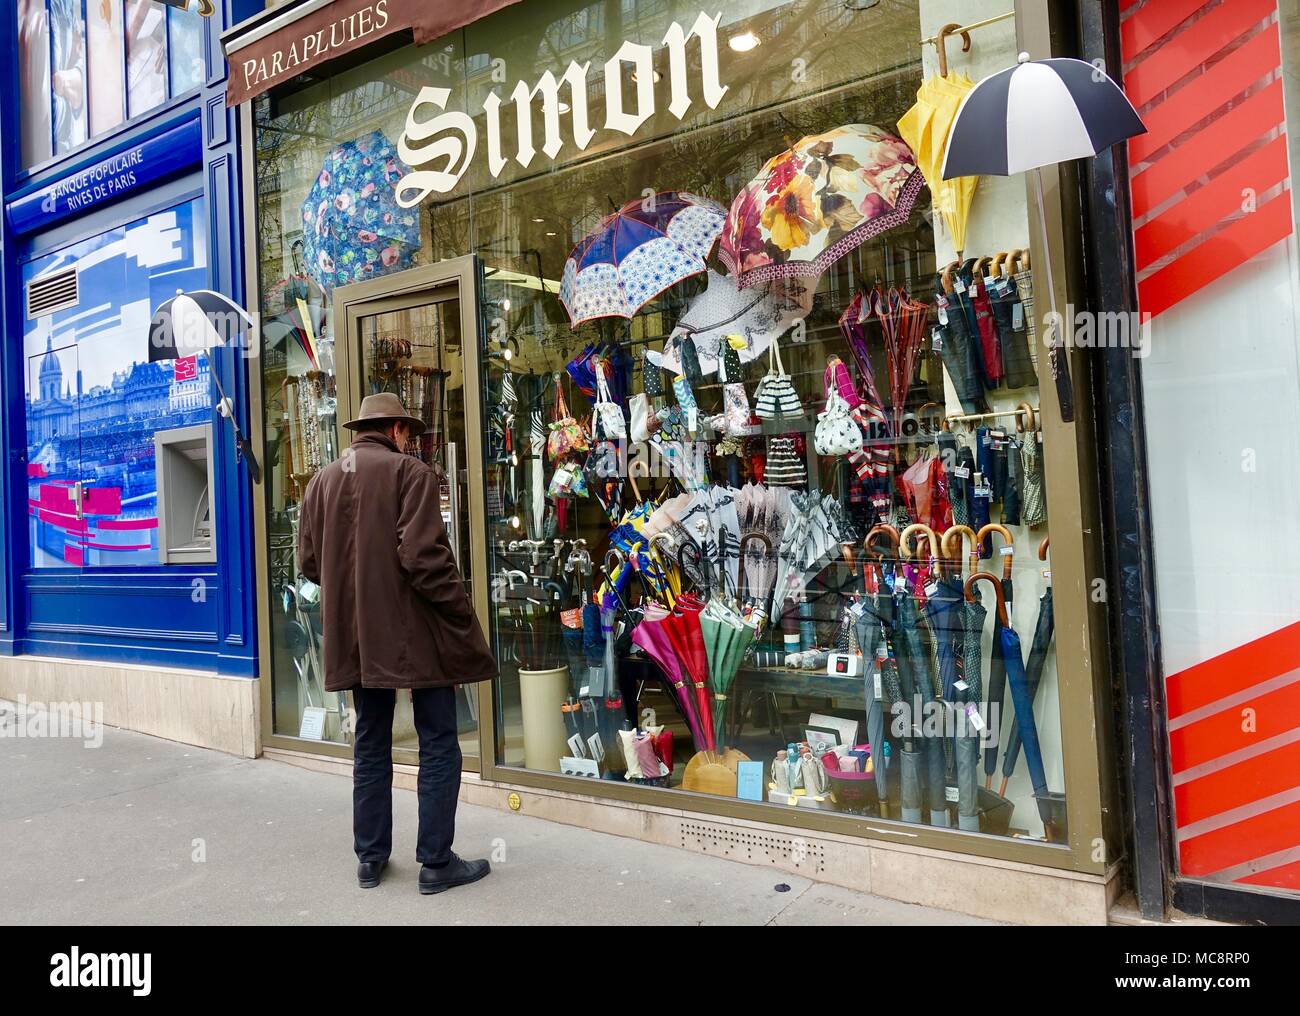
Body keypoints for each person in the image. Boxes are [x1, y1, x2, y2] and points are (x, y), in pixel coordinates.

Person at [297, 392, 497, 894]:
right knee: (438, 742)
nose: (411, 439)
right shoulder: (411, 474)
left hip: (357, 637)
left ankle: (370, 859)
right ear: (396, 430)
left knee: (370, 740)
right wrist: (460, 610)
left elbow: (308, 564)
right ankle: (435, 862)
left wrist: (353, 589)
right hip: (414, 635)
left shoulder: (321, 481)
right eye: (408, 431)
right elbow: (423, 558)